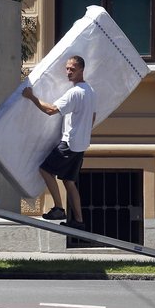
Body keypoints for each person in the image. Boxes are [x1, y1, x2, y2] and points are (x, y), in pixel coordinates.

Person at [21, 55, 97, 230]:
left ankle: (58, 208)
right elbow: (92, 116)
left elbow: (51, 110)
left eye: (73, 69)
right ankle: (78, 221)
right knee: (69, 182)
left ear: (81, 70)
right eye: (67, 68)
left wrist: (31, 96)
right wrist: (84, 133)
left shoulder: (75, 92)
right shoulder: (90, 91)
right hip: (81, 145)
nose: (68, 72)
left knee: (45, 170)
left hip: (70, 144)